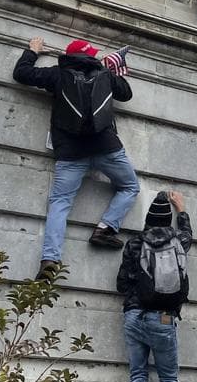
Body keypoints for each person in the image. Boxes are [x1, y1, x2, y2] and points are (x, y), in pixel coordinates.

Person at [13, 37, 139, 280]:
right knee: (130, 186)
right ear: (89, 56)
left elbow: (21, 73)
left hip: (70, 153)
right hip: (107, 149)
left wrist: (32, 51)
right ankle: (105, 228)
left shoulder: (58, 74)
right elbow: (126, 94)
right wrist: (110, 70)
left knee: (60, 204)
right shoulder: (103, 74)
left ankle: (50, 260)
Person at [115, 191, 193, 382]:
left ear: (147, 220)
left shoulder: (134, 243)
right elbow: (188, 235)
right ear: (168, 221)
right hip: (162, 318)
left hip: (134, 315)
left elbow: (121, 284)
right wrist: (181, 209)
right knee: (168, 379)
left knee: (138, 377)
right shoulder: (177, 242)